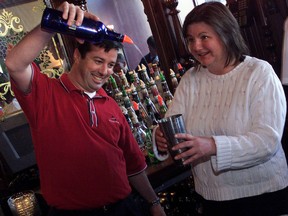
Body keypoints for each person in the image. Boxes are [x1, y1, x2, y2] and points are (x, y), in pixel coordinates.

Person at [5, 2, 166, 216]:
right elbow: (15, 64)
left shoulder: (110, 104)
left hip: (124, 208)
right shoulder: (45, 93)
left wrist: (154, 202)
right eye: (98, 61)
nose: (105, 71)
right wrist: (57, 22)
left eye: (111, 64)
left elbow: (133, 165)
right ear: (77, 56)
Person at [155, 2, 288, 216]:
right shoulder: (190, 79)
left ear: (226, 33)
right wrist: (161, 137)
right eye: (190, 39)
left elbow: (267, 141)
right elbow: (173, 124)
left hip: (263, 195)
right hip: (211, 197)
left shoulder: (259, 73)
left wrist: (213, 146)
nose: (196, 46)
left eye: (204, 37)